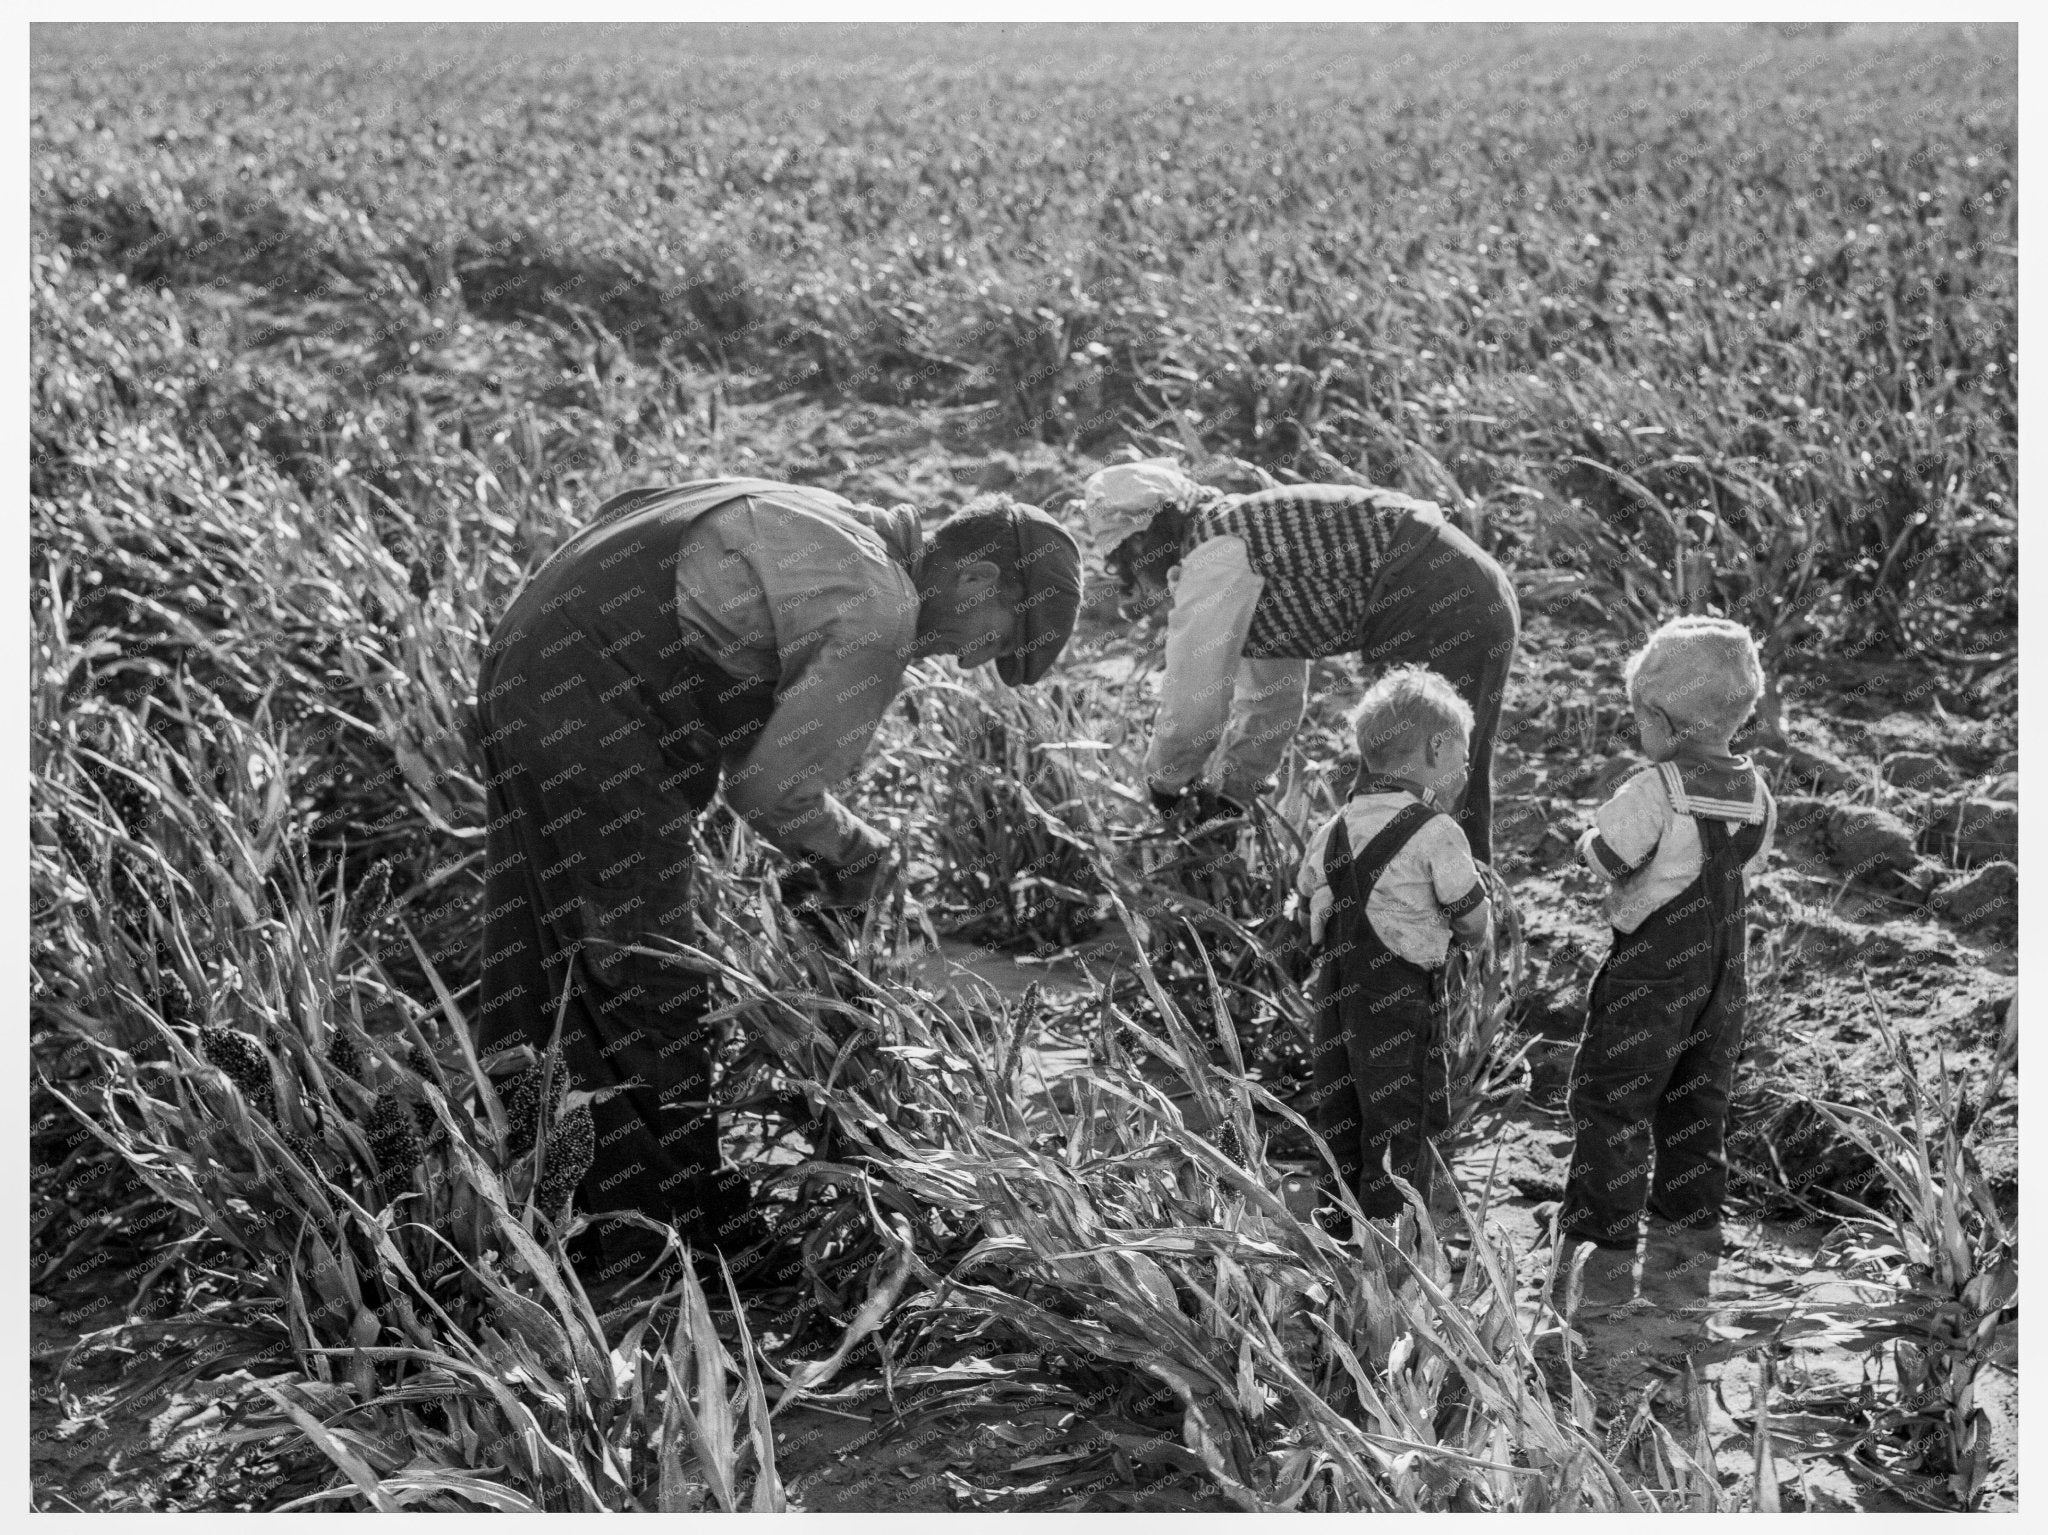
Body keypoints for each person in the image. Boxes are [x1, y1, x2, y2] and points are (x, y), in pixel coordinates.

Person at [471, 477, 1082, 1280]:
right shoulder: (879, 608)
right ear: (973, 580)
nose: (973, 660)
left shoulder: (825, 518)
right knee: (646, 973)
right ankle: (657, 1239)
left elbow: (638, 513)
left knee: (540, 951)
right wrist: (858, 854)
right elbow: (768, 791)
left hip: (524, 662)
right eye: (998, 638)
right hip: (597, 703)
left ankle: (524, 1188)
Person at [1080, 457, 1519, 862]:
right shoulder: (1235, 543)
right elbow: (1273, 699)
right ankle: (1469, 921)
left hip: (1436, 600)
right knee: (1449, 784)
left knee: (1398, 795)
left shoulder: (1216, 554)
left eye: (1125, 570)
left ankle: (1425, 928)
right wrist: (1233, 795)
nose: (1134, 587)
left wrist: (1165, 786)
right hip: (1468, 586)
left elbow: (1193, 703)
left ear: (1141, 542)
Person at [1556, 617, 1778, 1309]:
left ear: (1659, 716)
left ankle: (1604, 1236)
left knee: (1613, 1096)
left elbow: (1607, 857)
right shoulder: (1757, 792)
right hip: (1722, 979)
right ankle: (1690, 1229)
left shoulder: (1654, 789)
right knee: (1696, 1102)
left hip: (1650, 977)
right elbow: (1747, 865)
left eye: (1636, 716)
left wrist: (1584, 834)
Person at [1295, 666, 1494, 1230]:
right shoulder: (1437, 832)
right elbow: (1473, 919)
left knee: (1340, 1111)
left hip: (1334, 998)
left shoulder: (1332, 826)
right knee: (1399, 1117)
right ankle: (1392, 1243)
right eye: (1460, 754)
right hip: (1399, 1001)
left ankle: (1334, 1231)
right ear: (1436, 747)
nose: (1463, 769)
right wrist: (1473, 937)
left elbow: (1310, 889)